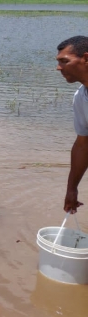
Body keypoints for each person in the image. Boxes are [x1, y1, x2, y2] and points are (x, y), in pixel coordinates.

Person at [56, 35, 88, 214]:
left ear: (86, 58)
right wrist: (72, 189)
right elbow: (83, 144)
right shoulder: (81, 98)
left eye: (64, 61)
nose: (58, 67)